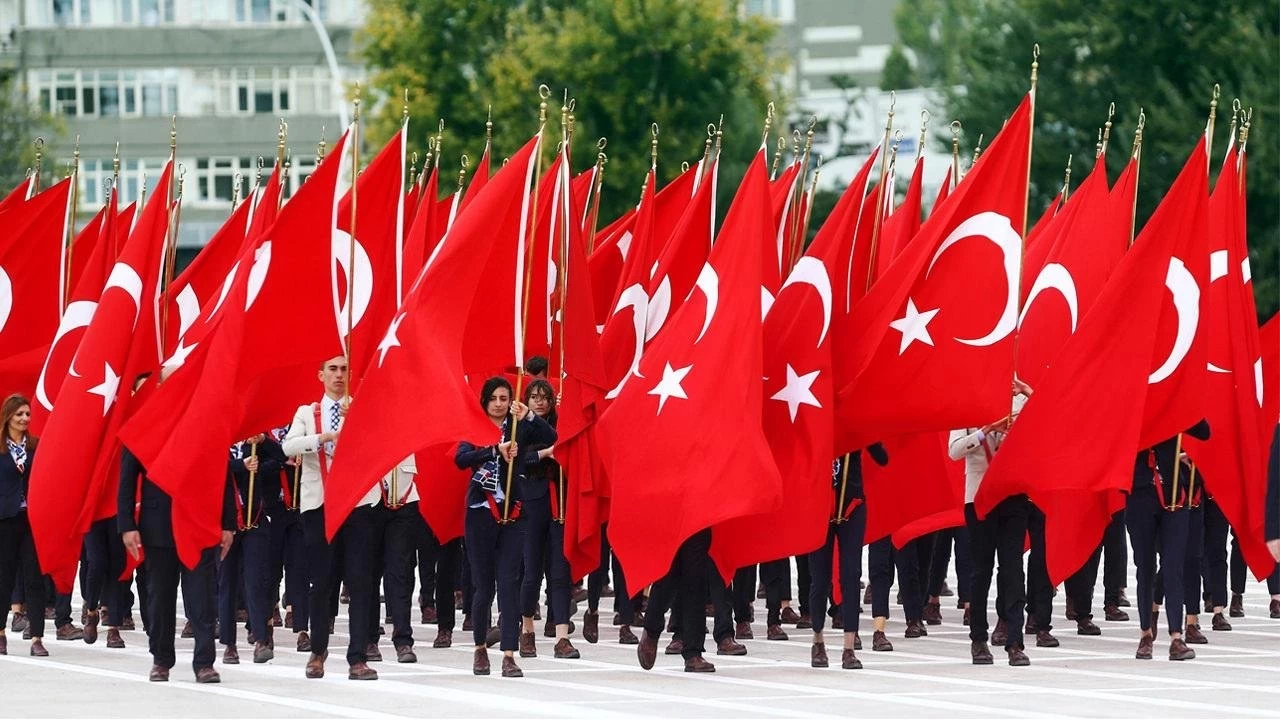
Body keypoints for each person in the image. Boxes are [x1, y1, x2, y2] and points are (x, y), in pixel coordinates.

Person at [119, 376, 234, 683]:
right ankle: (161, 659)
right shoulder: (145, 424)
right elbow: (127, 479)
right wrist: (127, 525)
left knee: (202, 597)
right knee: (160, 598)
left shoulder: (206, 423)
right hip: (158, 527)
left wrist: (228, 524)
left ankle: (204, 662)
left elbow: (221, 475)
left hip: (198, 524)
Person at [282, 355, 383, 680]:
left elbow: (381, 446)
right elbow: (288, 446)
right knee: (322, 581)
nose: (339, 375)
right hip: (320, 505)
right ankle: (318, 651)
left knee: (360, 581)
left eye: (344, 369)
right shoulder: (306, 412)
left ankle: (358, 657)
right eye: (333, 369)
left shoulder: (362, 409)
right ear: (321, 375)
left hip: (358, 504)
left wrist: (359, 425)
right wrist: (323, 438)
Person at [456, 376, 557, 677]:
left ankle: (509, 654)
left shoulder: (518, 426)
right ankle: (479, 649)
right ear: (485, 401)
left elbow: (552, 435)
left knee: (509, 583)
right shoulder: (474, 426)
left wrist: (528, 415)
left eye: (504, 398)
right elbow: (461, 458)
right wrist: (493, 451)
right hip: (481, 513)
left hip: (513, 513)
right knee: (484, 586)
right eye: (494, 399)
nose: (499, 404)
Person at [949, 380, 1032, 667]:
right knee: (980, 571)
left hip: (1012, 495)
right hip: (979, 497)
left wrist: (1027, 391)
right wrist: (986, 431)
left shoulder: (1019, 403)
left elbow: (1047, 421)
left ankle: (1015, 642)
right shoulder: (967, 405)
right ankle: (978, 639)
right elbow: (954, 450)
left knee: (1013, 569)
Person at [1126, 420, 1209, 661]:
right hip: (1140, 492)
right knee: (1145, 566)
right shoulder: (1135, 409)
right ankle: (1145, 634)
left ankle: (1176, 637)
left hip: (1173, 494)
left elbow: (1203, 431)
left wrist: (1186, 408)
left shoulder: (1174, 406)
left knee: (1174, 566)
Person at [808, 446, 888, 670]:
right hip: (821, 507)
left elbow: (882, 458)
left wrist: (866, 436)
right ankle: (818, 641)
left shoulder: (855, 429)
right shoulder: (819, 429)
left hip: (852, 506)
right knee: (820, 578)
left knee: (851, 575)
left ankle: (849, 648)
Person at [517, 379, 580, 660]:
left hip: (561, 502)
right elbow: (521, 460)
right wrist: (546, 453)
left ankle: (562, 637)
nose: (539, 402)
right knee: (531, 572)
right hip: (532, 504)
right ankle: (527, 630)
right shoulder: (521, 426)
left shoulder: (561, 423)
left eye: (544, 397)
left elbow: (564, 443)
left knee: (560, 572)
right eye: (534, 397)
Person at [219, 433, 286, 664]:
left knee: (257, 581)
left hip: (254, 519)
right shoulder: (218, 436)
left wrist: (263, 441)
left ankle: (260, 638)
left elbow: (281, 456)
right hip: (225, 523)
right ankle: (229, 644)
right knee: (227, 583)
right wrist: (241, 465)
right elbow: (208, 466)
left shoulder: (254, 438)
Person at [0, 395, 49, 657]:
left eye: (27, 414)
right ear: (8, 416)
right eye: (19, 414)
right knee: (4, 578)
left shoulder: (36, 446)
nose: (24, 419)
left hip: (32, 521)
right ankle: (0, 634)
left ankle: (37, 638)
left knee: (34, 579)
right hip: (5, 520)